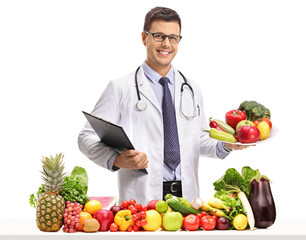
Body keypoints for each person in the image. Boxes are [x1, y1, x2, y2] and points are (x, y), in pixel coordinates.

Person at [78, 7, 247, 205]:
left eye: (173, 37)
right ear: (144, 38)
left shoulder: (191, 88)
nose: (166, 44)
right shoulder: (120, 88)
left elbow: (197, 140)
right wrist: (115, 159)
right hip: (142, 197)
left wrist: (227, 144)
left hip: (187, 198)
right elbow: (86, 137)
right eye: (159, 36)